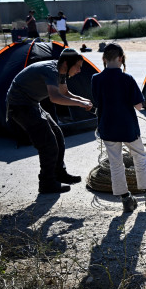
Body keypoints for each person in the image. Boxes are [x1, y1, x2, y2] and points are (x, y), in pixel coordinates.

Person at [90, 43, 146, 213]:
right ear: (121, 58)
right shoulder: (127, 79)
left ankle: (126, 200)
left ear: (104, 59)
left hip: (107, 128)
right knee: (140, 157)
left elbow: (96, 103)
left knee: (115, 163)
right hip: (128, 127)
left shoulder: (96, 79)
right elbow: (139, 106)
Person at [6, 49, 93, 193]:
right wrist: (80, 104)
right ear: (67, 63)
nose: (79, 70)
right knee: (48, 143)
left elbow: (64, 92)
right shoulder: (51, 70)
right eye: (78, 66)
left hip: (32, 103)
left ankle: (59, 173)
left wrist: (83, 100)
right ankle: (46, 183)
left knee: (58, 134)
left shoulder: (61, 71)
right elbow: (55, 98)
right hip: (19, 105)